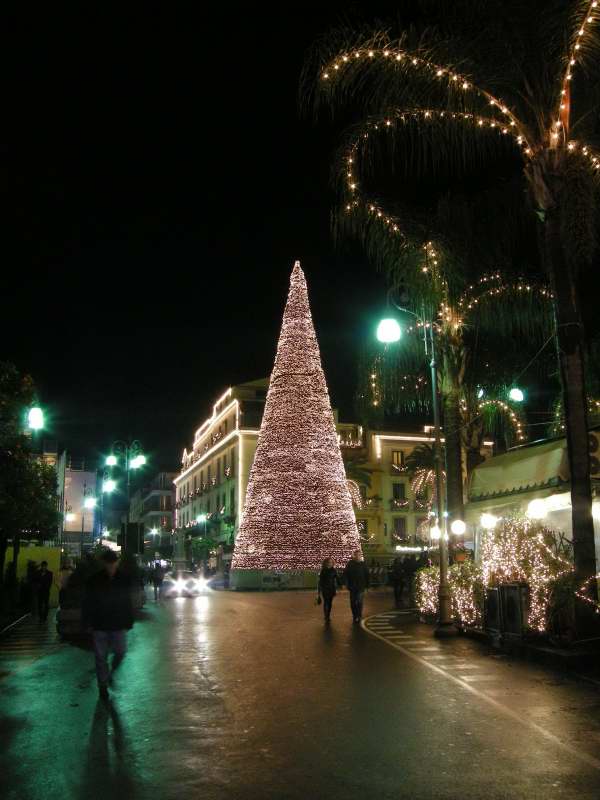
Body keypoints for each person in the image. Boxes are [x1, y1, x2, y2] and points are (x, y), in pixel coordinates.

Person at [82, 550, 134, 702]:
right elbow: (87, 602)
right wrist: (87, 622)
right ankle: (102, 685)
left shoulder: (123, 579)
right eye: (108, 563)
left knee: (120, 652)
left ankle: (109, 674)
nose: (111, 566)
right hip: (100, 623)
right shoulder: (94, 580)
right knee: (100, 657)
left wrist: (128, 620)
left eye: (113, 563)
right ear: (104, 563)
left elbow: (127, 601)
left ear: (116, 563)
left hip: (117, 623)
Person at [343, 550, 370, 623]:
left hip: (361, 586)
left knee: (359, 601)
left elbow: (367, 575)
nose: (358, 556)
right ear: (354, 556)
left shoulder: (363, 564)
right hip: (352, 586)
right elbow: (345, 574)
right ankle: (355, 615)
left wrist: (367, 586)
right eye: (356, 555)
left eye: (359, 555)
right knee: (353, 602)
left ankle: (359, 614)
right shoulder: (350, 564)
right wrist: (345, 583)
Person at [317, 557, 339, 623]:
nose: (330, 563)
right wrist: (319, 591)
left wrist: (342, 584)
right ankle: (326, 616)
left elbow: (337, 578)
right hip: (325, 589)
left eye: (331, 562)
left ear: (332, 563)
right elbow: (320, 581)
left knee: (330, 603)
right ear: (325, 563)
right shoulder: (323, 570)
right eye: (328, 562)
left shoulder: (334, 570)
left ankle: (328, 614)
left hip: (332, 589)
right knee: (326, 602)